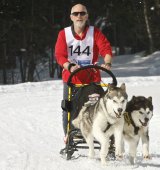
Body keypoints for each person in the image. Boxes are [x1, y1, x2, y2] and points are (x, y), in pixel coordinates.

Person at [55, 3, 113, 143]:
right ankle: (70, 135)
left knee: (96, 108)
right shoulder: (64, 34)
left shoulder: (95, 32)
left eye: (82, 13)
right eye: (76, 14)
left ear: (87, 16)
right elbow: (59, 55)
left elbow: (106, 48)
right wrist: (69, 65)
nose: (79, 16)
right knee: (69, 108)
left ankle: (100, 134)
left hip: (91, 78)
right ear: (71, 17)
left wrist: (107, 62)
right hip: (71, 77)